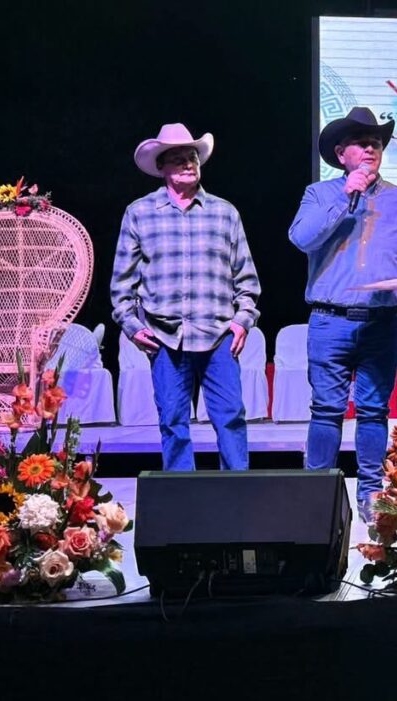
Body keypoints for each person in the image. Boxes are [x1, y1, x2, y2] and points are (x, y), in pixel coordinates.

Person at [289, 106, 397, 521]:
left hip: (383, 322)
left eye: (376, 144)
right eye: (361, 143)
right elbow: (301, 238)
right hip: (330, 320)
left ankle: (371, 493)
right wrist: (346, 195)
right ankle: (317, 494)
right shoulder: (319, 194)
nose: (371, 149)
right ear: (340, 153)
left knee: (373, 410)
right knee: (326, 409)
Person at [111, 123, 261, 471]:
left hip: (218, 333)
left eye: (192, 157)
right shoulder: (140, 213)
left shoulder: (224, 212)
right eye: (177, 158)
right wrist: (132, 326)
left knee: (231, 417)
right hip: (164, 336)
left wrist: (242, 321)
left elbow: (246, 277)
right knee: (173, 421)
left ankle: (237, 492)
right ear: (161, 167)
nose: (188, 163)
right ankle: (181, 495)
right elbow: (122, 283)